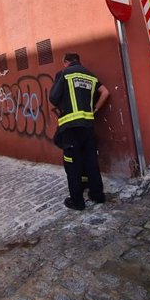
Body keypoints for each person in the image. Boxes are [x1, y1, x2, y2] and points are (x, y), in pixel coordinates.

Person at [49, 52, 110, 211]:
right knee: (90, 160)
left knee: (72, 165)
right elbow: (105, 92)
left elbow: (53, 98)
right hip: (88, 125)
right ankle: (97, 195)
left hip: (70, 127)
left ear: (65, 62)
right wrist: (95, 109)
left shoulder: (64, 74)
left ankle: (77, 201)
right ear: (78, 61)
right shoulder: (90, 75)